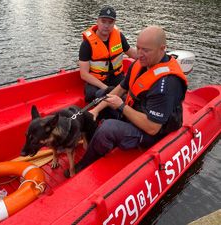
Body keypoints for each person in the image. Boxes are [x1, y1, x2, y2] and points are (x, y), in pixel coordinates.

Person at [66, 25, 188, 177]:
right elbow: (119, 89)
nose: (140, 54)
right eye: (138, 48)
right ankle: (93, 140)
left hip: (152, 131)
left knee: (108, 128)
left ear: (162, 48)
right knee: (102, 95)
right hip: (137, 111)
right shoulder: (141, 63)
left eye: (146, 50)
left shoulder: (167, 83)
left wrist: (121, 106)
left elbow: (152, 128)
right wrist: (96, 109)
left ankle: (84, 164)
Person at [79, 6, 137, 103]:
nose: (106, 25)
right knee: (91, 95)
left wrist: (150, 54)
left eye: (110, 22)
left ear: (114, 23)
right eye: (103, 21)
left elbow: (132, 53)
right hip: (97, 81)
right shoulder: (87, 44)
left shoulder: (119, 36)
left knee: (132, 92)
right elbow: (84, 74)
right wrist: (106, 88)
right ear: (98, 21)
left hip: (117, 77)